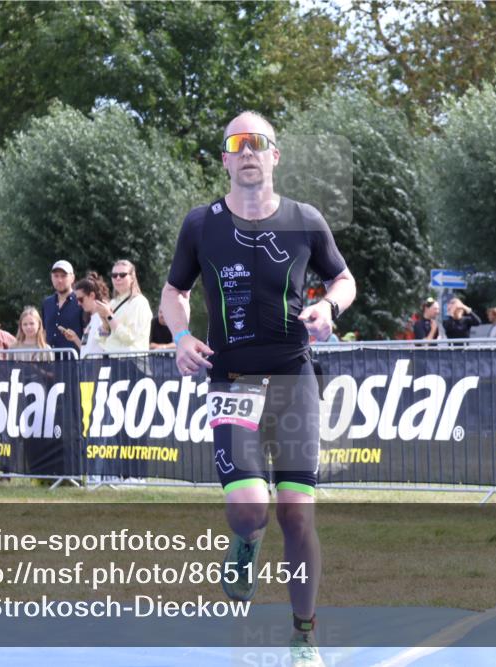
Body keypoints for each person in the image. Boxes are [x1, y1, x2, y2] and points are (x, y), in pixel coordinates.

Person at [160, 111, 356, 667]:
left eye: (258, 143)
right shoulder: (202, 224)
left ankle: (303, 636)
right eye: (237, 143)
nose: (248, 152)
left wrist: (328, 306)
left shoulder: (304, 219)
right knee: (251, 510)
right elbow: (172, 293)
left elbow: (344, 278)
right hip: (232, 380)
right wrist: (179, 335)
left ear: (275, 155)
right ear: (224, 158)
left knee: (298, 515)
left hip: (294, 380)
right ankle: (244, 545)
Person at [95, 259, 152, 353]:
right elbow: (101, 340)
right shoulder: (113, 302)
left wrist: (109, 316)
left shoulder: (139, 302)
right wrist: (104, 321)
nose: (117, 278)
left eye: (122, 275)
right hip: (111, 358)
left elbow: (129, 337)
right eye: (114, 275)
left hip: (131, 360)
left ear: (132, 277)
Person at [61, 274, 109, 357]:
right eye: (77, 300)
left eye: (80, 299)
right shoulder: (92, 319)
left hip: (96, 368)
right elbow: (87, 351)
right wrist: (75, 338)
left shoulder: (102, 317)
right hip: (88, 368)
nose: (78, 303)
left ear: (92, 295)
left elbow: (104, 346)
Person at [42, 260, 84, 351]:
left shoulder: (81, 301)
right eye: (56, 276)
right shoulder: (47, 303)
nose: (59, 280)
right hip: (50, 361)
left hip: (74, 361)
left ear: (72, 278)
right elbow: (44, 332)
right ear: (51, 278)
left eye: (63, 276)